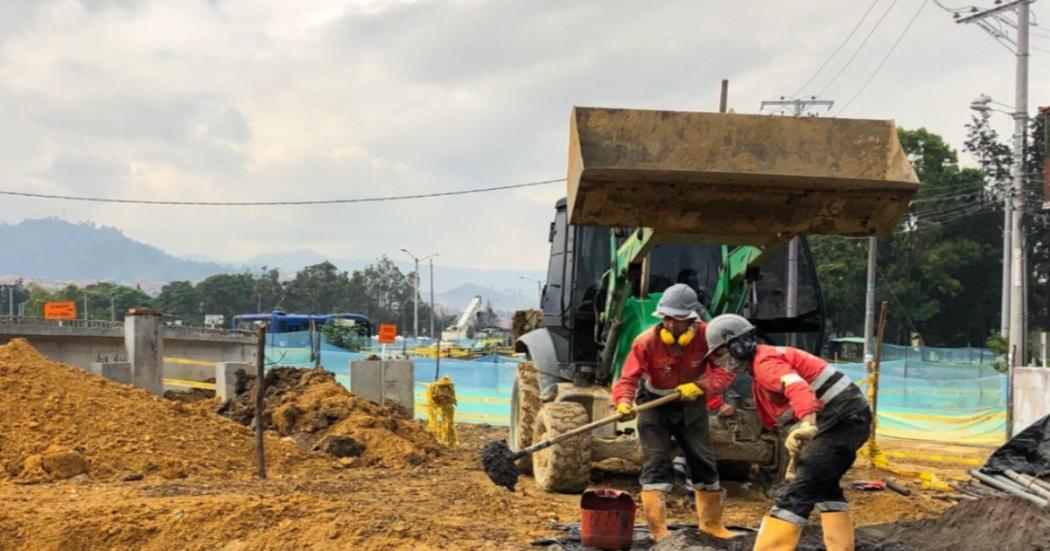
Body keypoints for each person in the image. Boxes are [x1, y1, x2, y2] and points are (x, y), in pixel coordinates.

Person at [703, 314, 871, 551]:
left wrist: (807, 423)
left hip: (842, 418)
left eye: (720, 354)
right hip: (847, 417)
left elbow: (796, 386)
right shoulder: (763, 360)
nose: (721, 361)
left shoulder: (765, 364)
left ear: (738, 344)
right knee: (824, 484)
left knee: (799, 488)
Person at [611, 284, 737, 542]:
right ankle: (659, 531)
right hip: (654, 404)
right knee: (656, 463)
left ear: (691, 319)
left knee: (703, 462)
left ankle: (712, 525)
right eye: (665, 318)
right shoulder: (645, 341)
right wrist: (623, 402)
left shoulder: (707, 337)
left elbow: (725, 371)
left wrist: (701, 386)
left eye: (674, 319)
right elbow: (627, 378)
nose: (668, 324)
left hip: (691, 403)